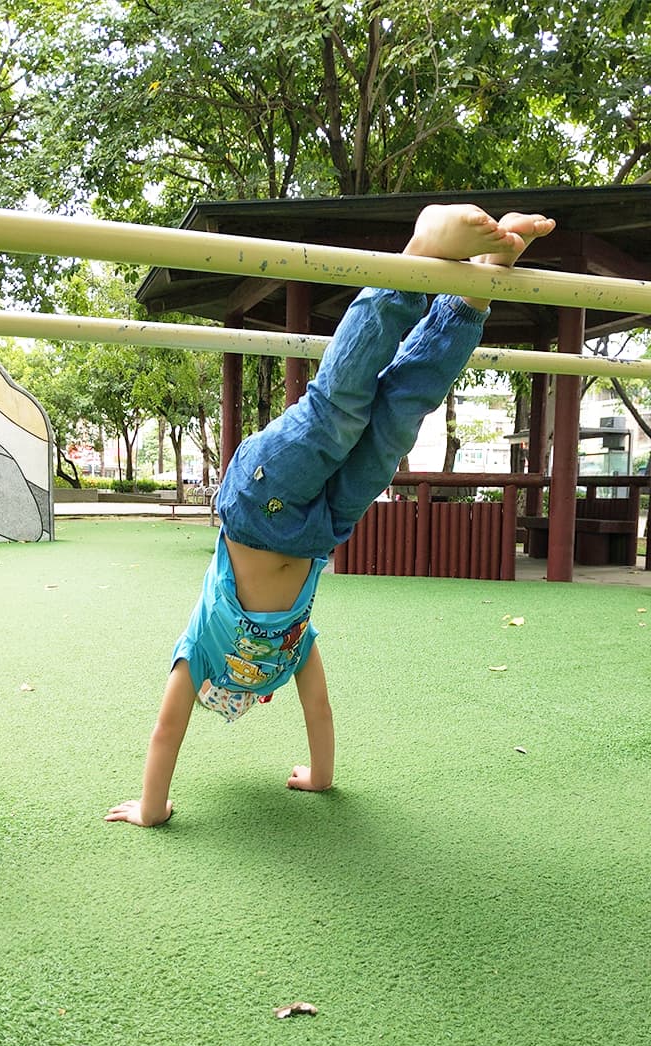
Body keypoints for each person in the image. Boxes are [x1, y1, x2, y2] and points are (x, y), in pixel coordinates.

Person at [106, 204, 556, 828]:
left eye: (237, 693)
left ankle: (417, 258)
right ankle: (473, 295)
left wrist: (152, 808)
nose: (246, 688)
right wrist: (321, 776)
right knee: (399, 417)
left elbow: (167, 729)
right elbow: (319, 712)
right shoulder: (292, 654)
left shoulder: (199, 656)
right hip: (325, 527)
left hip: (257, 506)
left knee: (338, 411)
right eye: (249, 691)